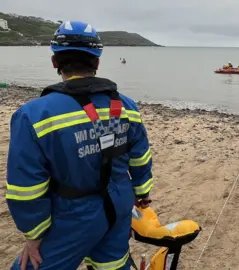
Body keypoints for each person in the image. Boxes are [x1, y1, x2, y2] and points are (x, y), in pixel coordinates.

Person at [5, 20, 154, 270]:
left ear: (55, 62)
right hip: (119, 204)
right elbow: (140, 158)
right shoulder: (127, 106)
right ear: (97, 62)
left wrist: (34, 234)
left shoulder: (33, 115)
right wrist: (142, 193)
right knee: (112, 265)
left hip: (73, 212)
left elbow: (25, 186)